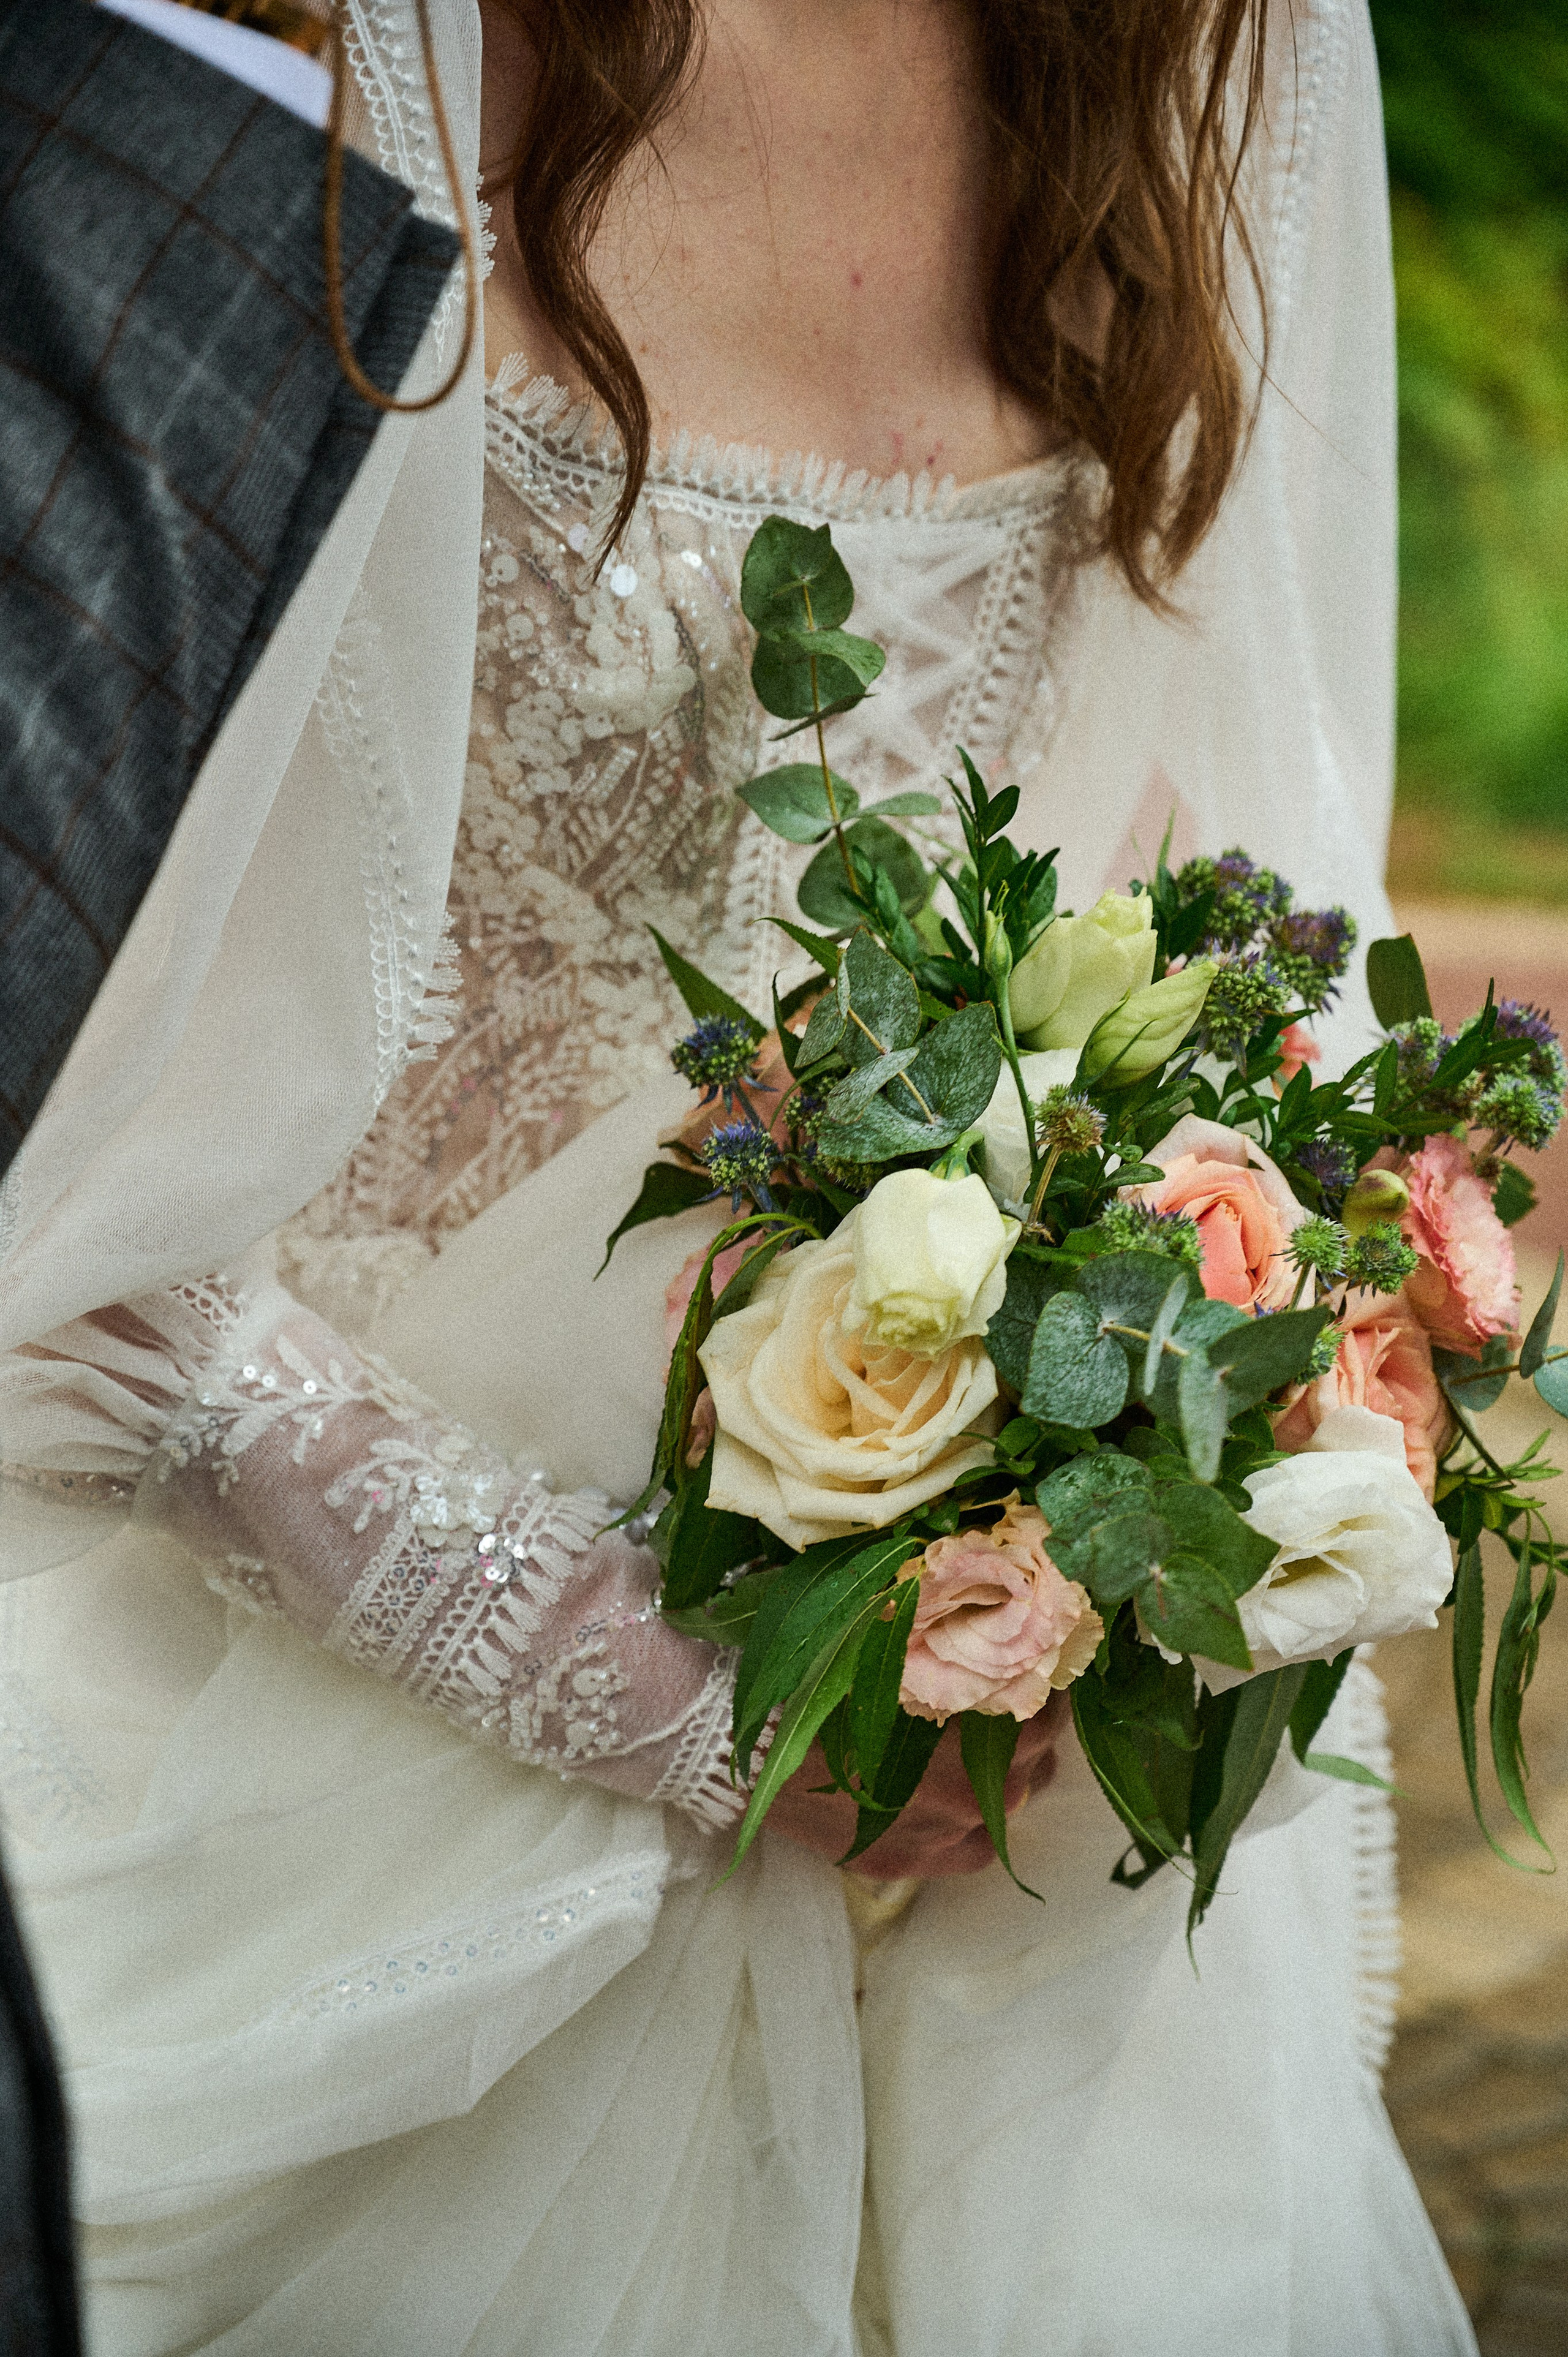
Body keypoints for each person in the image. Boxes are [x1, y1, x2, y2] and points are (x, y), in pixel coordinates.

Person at [0, 1, 1478, 2349]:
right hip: (247, 1744)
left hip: (920, 1813)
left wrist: (1113, 1548)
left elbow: (1214, 911)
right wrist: (658, 1686)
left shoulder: (1214, 48)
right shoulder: (316, 40)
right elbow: (56, 1155)